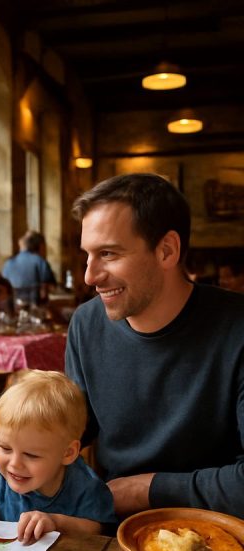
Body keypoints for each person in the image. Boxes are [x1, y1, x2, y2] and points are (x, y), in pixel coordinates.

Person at [65, 173, 244, 518]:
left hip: (218, 532)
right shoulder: (86, 325)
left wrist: (142, 489)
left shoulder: (236, 329)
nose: (90, 276)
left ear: (167, 250)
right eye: (88, 254)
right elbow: (67, 432)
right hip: (111, 527)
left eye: (108, 254)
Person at [0, 371, 116, 544]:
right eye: (5, 448)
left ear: (67, 453)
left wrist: (55, 522)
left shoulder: (86, 486)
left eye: (31, 455)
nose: (14, 464)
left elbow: (97, 530)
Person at [2, 231, 57, 306]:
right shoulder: (40, 262)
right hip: (35, 308)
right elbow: (47, 291)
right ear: (41, 246)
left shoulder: (8, 263)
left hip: (14, 308)